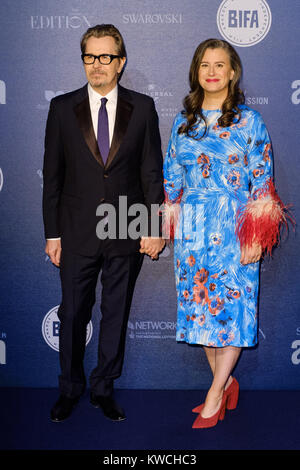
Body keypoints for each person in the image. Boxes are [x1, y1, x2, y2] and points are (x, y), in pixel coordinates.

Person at [163, 38, 292, 428]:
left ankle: (215, 393)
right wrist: (167, 223)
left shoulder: (249, 121)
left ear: (233, 72)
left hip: (236, 228)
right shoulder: (182, 123)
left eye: (220, 65)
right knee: (202, 310)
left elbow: (262, 181)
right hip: (193, 232)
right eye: (205, 65)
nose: (212, 72)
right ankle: (227, 381)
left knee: (233, 312)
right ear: (196, 72)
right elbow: (171, 179)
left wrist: (256, 232)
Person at [43, 24, 165, 423]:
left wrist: (152, 225)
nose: (97, 65)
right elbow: (53, 175)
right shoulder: (62, 108)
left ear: (121, 61)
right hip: (76, 230)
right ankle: (70, 389)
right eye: (90, 57)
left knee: (115, 314)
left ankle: (103, 389)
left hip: (126, 228)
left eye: (106, 56)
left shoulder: (143, 107)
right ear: (84, 61)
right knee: (73, 314)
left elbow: (151, 171)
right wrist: (52, 233)